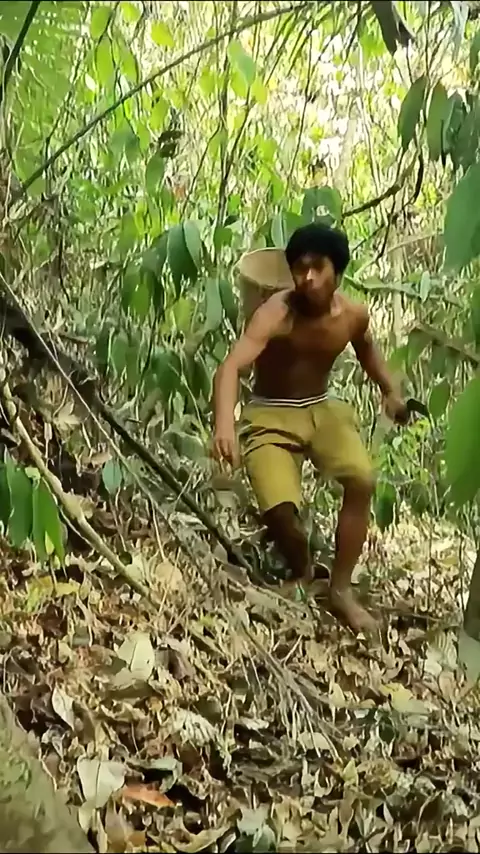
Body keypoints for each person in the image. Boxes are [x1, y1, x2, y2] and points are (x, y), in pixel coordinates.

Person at [212, 223, 408, 632]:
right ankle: (303, 570)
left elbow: (368, 351)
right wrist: (224, 425)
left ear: (338, 271)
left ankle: (340, 590)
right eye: (300, 269)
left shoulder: (352, 316)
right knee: (280, 511)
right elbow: (231, 367)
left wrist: (390, 391)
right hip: (270, 413)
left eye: (318, 267)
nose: (308, 278)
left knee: (362, 478)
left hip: (321, 408)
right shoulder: (276, 313)